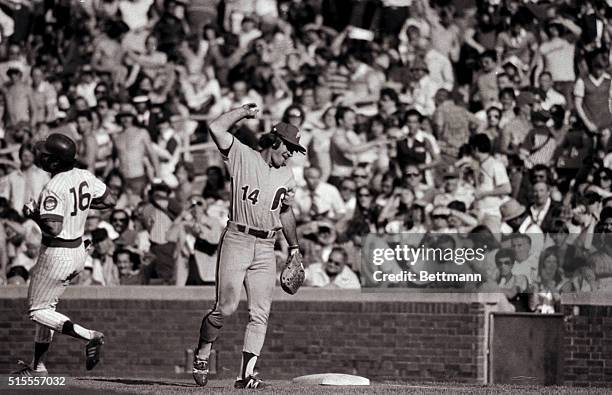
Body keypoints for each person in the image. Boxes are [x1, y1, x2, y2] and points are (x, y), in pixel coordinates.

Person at [191, 104, 303, 389]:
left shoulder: (287, 175)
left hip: (267, 245)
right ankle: (203, 349)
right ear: (274, 141)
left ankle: (246, 375)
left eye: (294, 149)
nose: (291, 153)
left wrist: (294, 247)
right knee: (225, 308)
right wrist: (242, 112)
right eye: (288, 146)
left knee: (260, 312)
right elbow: (215, 127)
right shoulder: (242, 155)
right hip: (238, 238)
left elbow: (286, 212)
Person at [13, 133, 116, 376]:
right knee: (47, 309)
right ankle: (38, 367)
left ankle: (89, 336)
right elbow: (110, 200)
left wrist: (34, 214)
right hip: (78, 250)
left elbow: (53, 227)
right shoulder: (84, 175)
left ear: (55, 162)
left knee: (37, 311)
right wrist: (79, 208)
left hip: (58, 252)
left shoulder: (54, 185)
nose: (41, 157)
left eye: (46, 155)